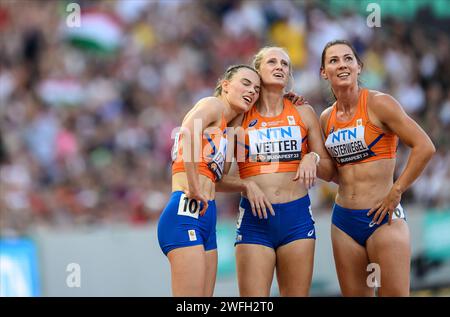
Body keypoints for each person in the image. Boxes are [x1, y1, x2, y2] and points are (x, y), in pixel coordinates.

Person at [319, 40, 436, 296]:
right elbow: (334, 172)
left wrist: (397, 190)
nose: (342, 65)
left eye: (348, 59)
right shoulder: (326, 118)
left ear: (359, 67)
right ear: (323, 72)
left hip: (383, 218)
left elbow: (424, 147)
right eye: (334, 60)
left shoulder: (379, 103)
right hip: (343, 222)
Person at [218, 47, 335, 296]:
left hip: (297, 219)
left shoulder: (303, 112)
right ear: (257, 72)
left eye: (285, 63)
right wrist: (246, 185)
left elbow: (328, 168)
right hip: (254, 222)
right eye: (272, 62)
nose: (280, 66)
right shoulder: (240, 116)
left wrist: (311, 157)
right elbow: (219, 178)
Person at [157, 65, 261, 296]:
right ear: (225, 85)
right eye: (245, 83)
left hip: (206, 218)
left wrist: (246, 183)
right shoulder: (212, 104)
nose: (252, 91)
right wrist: (194, 187)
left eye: (256, 88)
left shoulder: (227, 127)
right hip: (185, 213)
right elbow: (187, 132)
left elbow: (217, 179)